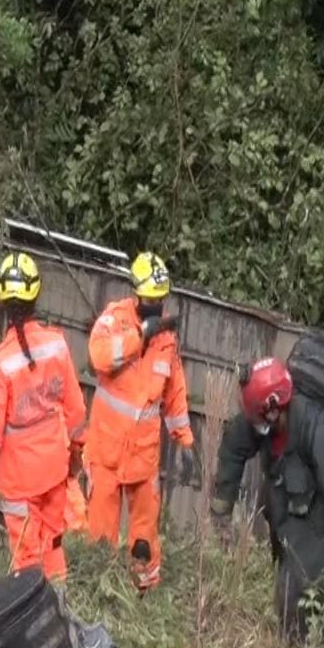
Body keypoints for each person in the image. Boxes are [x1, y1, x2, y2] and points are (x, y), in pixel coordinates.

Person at [210, 357, 324, 641]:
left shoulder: (317, 429)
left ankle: (307, 643)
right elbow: (233, 446)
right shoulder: (261, 417)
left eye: (256, 417)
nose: (252, 422)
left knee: (299, 584)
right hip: (282, 511)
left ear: (273, 410)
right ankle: (293, 633)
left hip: (317, 515)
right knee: (286, 576)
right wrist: (221, 512)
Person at [0, 252, 86, 581]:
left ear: (1, 301)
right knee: (54, 544)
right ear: (36, 296)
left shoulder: (0, 361)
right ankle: (59, 607)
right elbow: (76, 412)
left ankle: (33, 619)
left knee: (26, 557)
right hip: (55, 467)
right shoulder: (57, 346)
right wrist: (76, 456)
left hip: (20, 480)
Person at [84, 251, 196, 592]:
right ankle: (96, 592)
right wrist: (138, 337)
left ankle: (143, 596)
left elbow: (174, 394)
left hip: (143, 458)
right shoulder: (114, 320)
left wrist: (185, 440)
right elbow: (98, 356)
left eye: (162, 299)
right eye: (152, 298)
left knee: (144, 539)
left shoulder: (167, 342)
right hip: (105, 452)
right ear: (137, 293)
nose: (157, 305)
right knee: (99, 538)